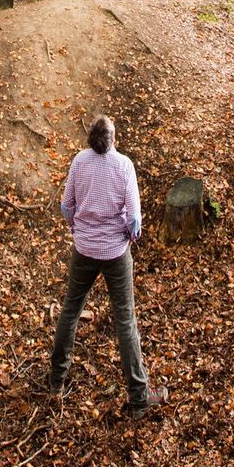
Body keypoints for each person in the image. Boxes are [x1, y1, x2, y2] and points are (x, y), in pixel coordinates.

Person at [48, 115, 167, 414]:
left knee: (70, 311)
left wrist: (78, 228)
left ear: (91, 137)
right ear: (113, 139)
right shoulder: (124, 165)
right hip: (115, 254)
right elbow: (134, 219)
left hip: (84, 250)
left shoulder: (79, 161)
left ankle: (56, 382)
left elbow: (66, 206)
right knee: (125, 321)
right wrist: (131, 237)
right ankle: (139, 398)